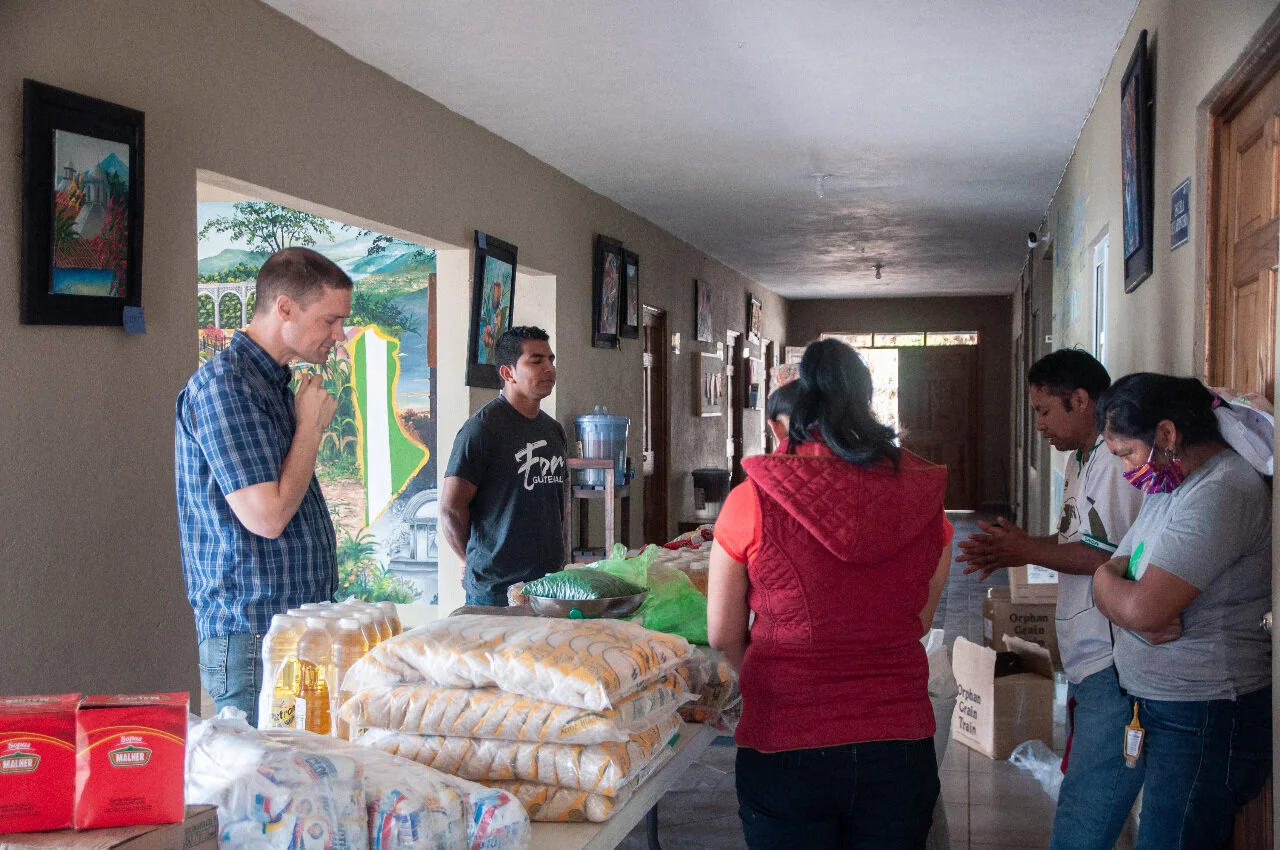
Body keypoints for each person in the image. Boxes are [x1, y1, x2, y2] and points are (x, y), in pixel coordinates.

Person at [708, 339, 952, 849]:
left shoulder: (752, 499)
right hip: (898, 737)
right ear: (866, 399)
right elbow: (921, 619)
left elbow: (723, 635)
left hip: (785, 737)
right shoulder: (925, 496)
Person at [957, 349, 1143, 850]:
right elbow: (1070, 542)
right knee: (1083, 790)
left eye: (1044, 411)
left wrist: (1022, 549)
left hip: (1112, 658)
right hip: (1087, 654)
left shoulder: (1115, 462)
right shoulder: (1080, 459)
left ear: (1080, 400)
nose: (1038, 425)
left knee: (1086, 803)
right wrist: (1017, 548)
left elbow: (1104, 558)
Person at [1091, 374, 1271, 850]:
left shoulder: (1222, 490)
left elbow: (1144, 606)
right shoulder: (1170, 486)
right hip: (1172, 711)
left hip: (1204, 714)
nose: (1127, 470)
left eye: (1127, 453)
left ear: (1167, 434)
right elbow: (1111, 572)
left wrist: (1123, 600)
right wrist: (1112, 592)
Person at [175, 247, 351, 724]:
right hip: (255, 635)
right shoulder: (225, 386)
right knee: (262, 772)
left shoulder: (272, 384)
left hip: (289, 630)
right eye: (330, 320)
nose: (339, 334)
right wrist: (310, 428)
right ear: (285, 308)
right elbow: (268, 517)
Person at [441, 326, 566, 606]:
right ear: (508, 373)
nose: (549, 368)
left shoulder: (553, 430)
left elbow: (554, 505)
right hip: (496, 591)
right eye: (536, 361)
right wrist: (469, 560)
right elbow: (451, 509)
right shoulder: (482, 429)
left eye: (550, 360)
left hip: (549, 585)